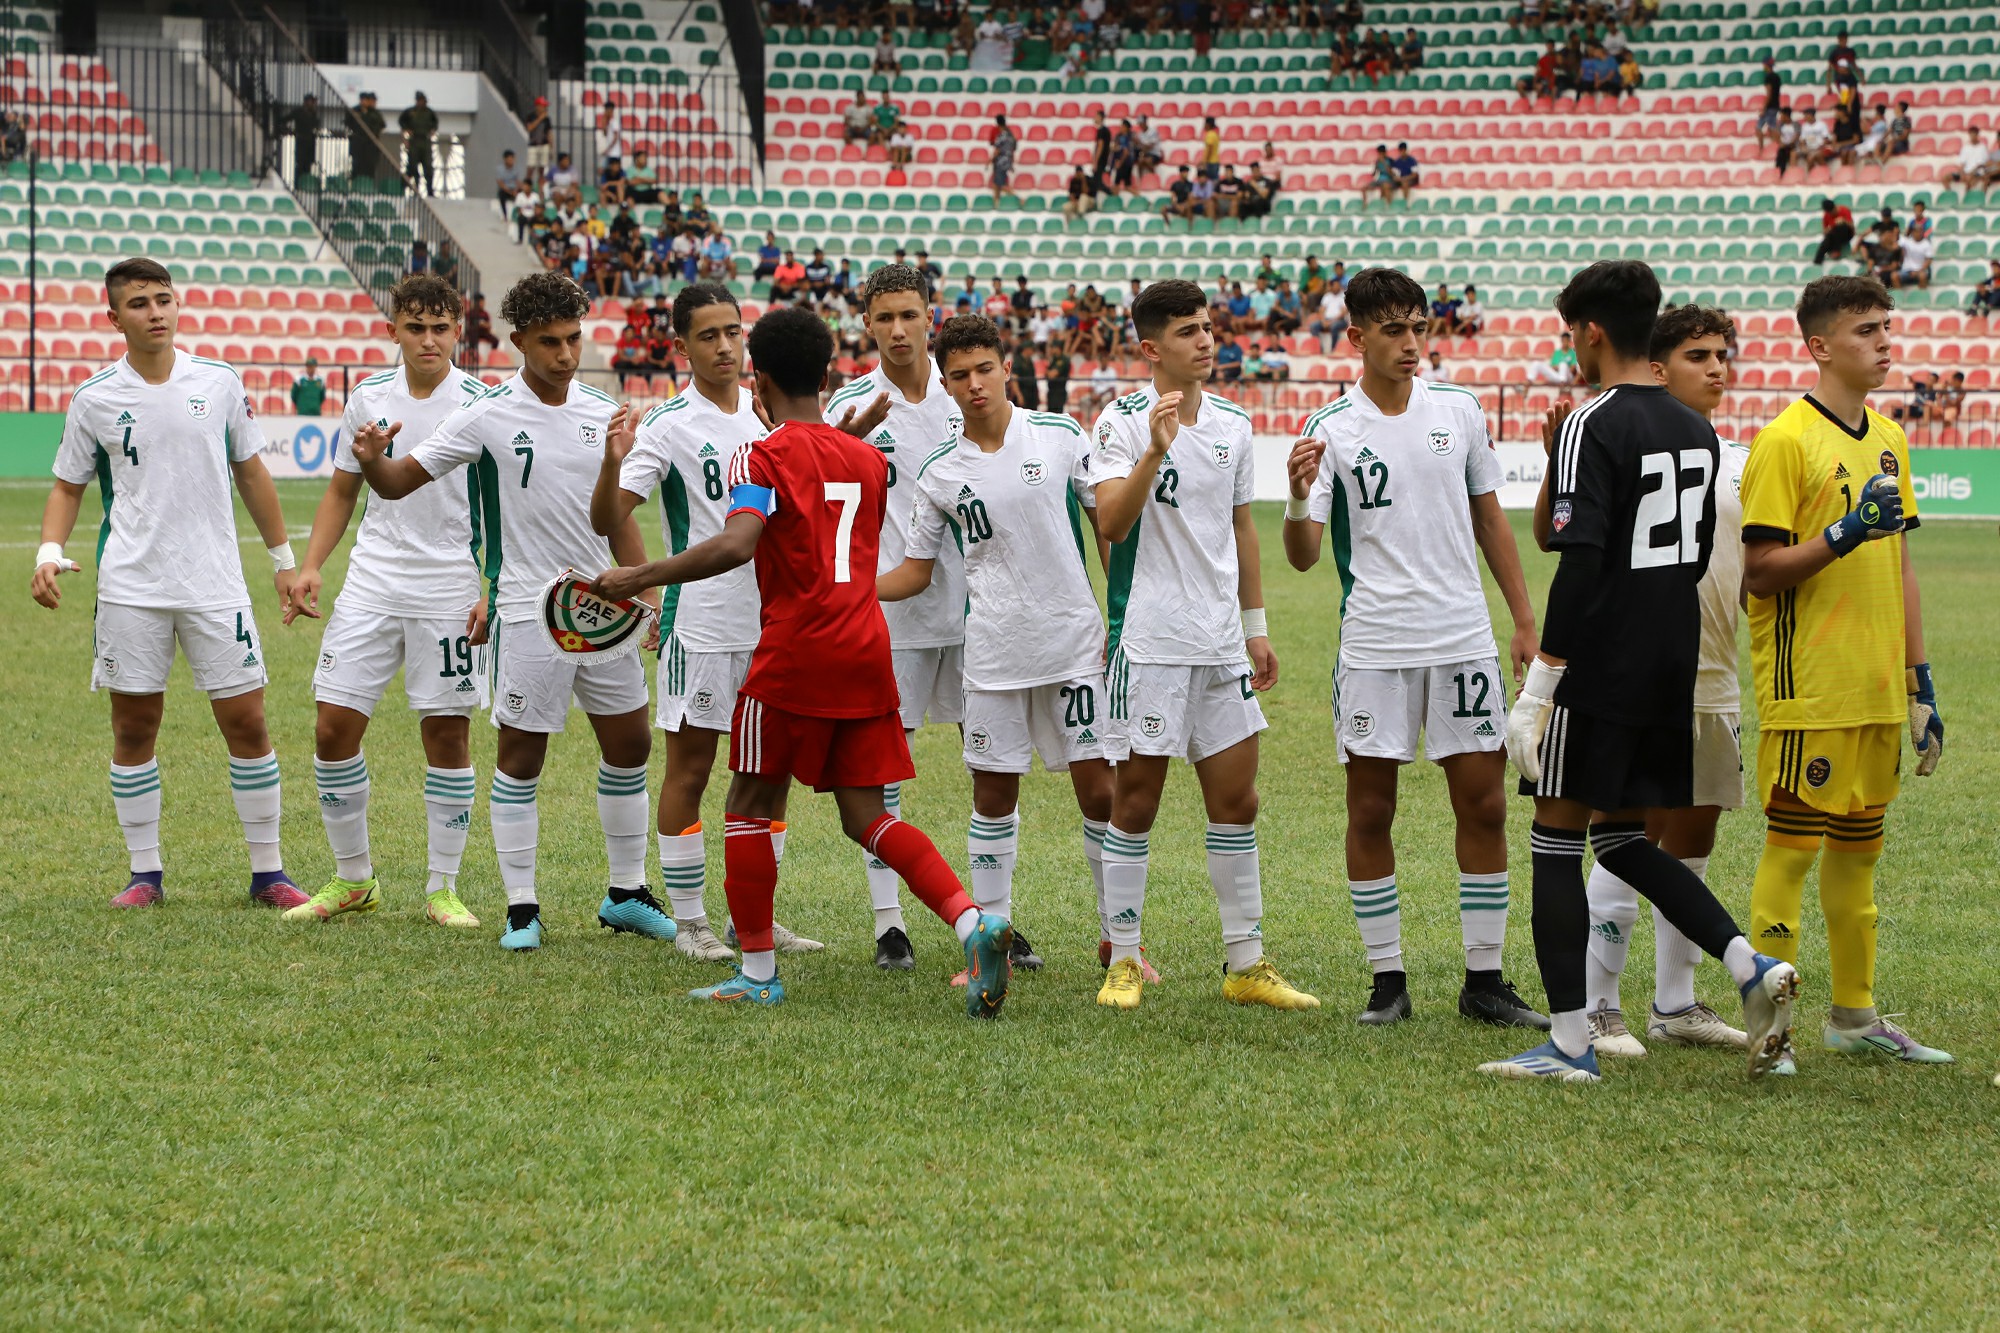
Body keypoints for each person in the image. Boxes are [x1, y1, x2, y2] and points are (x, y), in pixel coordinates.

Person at [590, 306, 1015, 1016]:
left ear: (757, 377)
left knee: (749, 803)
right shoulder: (866, 458)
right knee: (868, 815)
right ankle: (974, 922)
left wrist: (638, 577)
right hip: (866, 646)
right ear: (826, 373)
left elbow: (739, 542)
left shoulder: (759, 454)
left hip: (793, 652)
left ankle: (756, 970)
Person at [1486, 259, 1799, 1083]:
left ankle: (1568, 1044)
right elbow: (1693, 555)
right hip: (1672, 663)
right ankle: (1747, 964)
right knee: (1623, 836)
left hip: (1601, 665)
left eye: (1570, 335)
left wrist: (1541, 685)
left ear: (1590, 333)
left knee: (1555, 841)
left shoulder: (1595, 420)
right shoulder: (1701, 433)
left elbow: (1578, 561)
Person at [346, 271, 661, 954]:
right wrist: (375, 461)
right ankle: (522, 906)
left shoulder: (602, 411)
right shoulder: (485, 413)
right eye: (550, 342)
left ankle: (628, 892)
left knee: (631, 743)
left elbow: (619, 521)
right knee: (522, 756)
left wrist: (646, 595)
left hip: (603, 606)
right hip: (525, 609)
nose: (566, 354)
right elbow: (400, 483)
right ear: (518, 341)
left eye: (574, 338)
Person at [1284, 266, 1544, 1029]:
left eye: (1419, 327)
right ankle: (1386, 980)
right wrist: (1299, 495)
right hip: (1376, 644)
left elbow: (1492, 519)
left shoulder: (1459, 411)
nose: (1410, 343)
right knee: (1370, 810)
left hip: (1460, 636)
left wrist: (1524, 618)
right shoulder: (1331, 428)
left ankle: (1485, 981)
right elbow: (1302, 555)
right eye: (1393, 330)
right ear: (1357, 337)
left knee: (1486, 802)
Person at [32, 257, 307, 911]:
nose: (155, 312)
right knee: (133, 727)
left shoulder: (217, 382)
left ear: (178, 305)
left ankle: (268, 872)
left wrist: (284, 561)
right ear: (114, 317)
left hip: (216, 584)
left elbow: (252, 473)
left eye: (163, 299)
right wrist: (48, 549)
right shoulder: (95, 397)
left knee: (247, 721)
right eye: (139, 303)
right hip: (132, 586)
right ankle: (144, 874)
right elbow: (68, 485)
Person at [1086, 278, 1317, 1012]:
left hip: (1221, 644)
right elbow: (1112, 526)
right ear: (1152, 348)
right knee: (1137, 802)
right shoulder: (1120, 423)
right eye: (1188, 330)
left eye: (1208, 326)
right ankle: (1123, 958)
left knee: (1237, 801)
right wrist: (1156, 452)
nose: (1206, 339)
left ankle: (1245, 963)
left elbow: (1243, 527)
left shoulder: (1234, 425)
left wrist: (1257, 628)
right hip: (1152, 643)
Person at [1737, 275, 1950, 1068]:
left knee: (1861, 858)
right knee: (1791, 851)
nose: (1885, 342)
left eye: (1886, 328)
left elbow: (1902, 569)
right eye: (1866, 330)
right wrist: (1843, 531)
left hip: (1874, 691)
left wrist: (1918, 681)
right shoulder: (1785, 441)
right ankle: (1771, 1029)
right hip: (1809, 690)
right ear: (1820, 346)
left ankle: (1853, 1019)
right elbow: (1760, 571)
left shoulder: (1891, 438)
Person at [879, 313, 1120, 978]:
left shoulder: (1062, 435)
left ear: (1007, 368)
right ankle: (992, 941)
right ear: (947, 385)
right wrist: (850, 593)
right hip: (993, 655)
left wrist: (1119, 617)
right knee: (993, 796)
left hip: (1074, 646)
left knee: (1099, 792)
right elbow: (914, 571)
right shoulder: (940, 471)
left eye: (985, 368)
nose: (974, 383)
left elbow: (1107, 526)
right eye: (959, 375)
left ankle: (1119, 941)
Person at [1546, 306, 1756, 1055]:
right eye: (1699, 355)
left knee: (1675, 835)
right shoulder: (1646, 438)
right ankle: (1601, 1005)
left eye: (1723, 355)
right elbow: (1573, 544)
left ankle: (1675, 998)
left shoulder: (1734, 452)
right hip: (1650, 670)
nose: (1717, 368)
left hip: (1705, 675)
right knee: (1625, 833)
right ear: (1659, 366)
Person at [590, 283, 820, 960]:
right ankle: (689, 919)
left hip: (771, 623)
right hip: (702, 626)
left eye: (732, 331)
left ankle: (754, 915)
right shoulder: (668, 425)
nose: (724, 346)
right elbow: (608, 519)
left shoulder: (766, 421)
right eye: (708, 335)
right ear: (681, 346)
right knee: (691, 769)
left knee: (770, 771)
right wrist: (611, 465)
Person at [275, 275, 490, 927]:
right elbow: (343, 491)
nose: (428, 338)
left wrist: (490, 584)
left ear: (459, 330)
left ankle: (443, 887)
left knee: (447, 733)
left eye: (440, 326)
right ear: (393, 329)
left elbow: (503, 505)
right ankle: (353, 878)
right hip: (372, 582)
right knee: (333, 726)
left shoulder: (481, 402)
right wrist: (312, 565)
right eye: (415, 326)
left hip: (450, 586)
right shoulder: (367, 398)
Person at [820, 265, 974, 971]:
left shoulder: (969, 392)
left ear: (930, 317)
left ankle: (991, 915)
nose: (898, 330)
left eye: (909, 315)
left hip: (977, 613)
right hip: (891, 616)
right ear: (866, 325)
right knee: (882, 774)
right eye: (884, 318)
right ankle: (890, 926)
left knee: (990, 767)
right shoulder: (850, 408)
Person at [399, 91, 439, 197]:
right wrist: (406, 136)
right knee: (412, 167)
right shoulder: (410, 112)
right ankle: (414, 190)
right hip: (414, 141)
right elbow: (402, 122)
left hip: (425, 141)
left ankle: (430, 191)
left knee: (428, 168)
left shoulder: (429, 113)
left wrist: (432, 132)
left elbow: (435, 124)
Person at [350, 90, 390, 186]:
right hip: (358, 144)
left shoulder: (374, 113)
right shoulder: (355, 110)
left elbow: (381, 125)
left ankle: (368, 186)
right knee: (357, 166)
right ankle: (355, 185)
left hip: (371, 145)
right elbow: (349, 122)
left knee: (369, 167)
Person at [1813, 196, 1855, 267]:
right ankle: (1817, 261)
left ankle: (1836, 250)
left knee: (1840, 227)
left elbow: (1852, 227)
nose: (1831, 214)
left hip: (1847, 233)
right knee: (1827, 239)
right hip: (1835, 235)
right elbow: (1825, 231)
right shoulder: (1827, 215)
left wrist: (1844, 220)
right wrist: (1828, 230)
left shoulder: (1844, 210)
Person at [291, 93, 321, 183]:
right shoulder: (298, 112)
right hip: (302, 142)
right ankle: (298, 183)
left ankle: (305, 182)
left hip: (310, 143)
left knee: (308, 166)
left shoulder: (313, 113)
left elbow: (315, 125)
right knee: (300, 165)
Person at [1755, 57, 1783, 149]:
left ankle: (1762, 148)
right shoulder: (1777, 77)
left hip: (1770, 106)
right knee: (1772, 126)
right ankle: (1777, 146)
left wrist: (1764, 108)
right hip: (1776, 105)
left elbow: (1769, 93)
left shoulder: (1768, 77)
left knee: (1760, 127)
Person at [524, 95, 552, 187]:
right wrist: (540, 118)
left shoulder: (547, 119)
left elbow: (549, 133)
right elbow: (530, 128)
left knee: (542, 168)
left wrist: (551, 148)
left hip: (544, 145)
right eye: (543, 106)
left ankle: (540, 188)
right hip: (533, 144)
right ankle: (528, 187)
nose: (545, 108)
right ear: (538, 106)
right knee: (531, 167)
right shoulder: (531, 116)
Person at [990, 117, 1017, 200]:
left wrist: (990, 160)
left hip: (1000, 162)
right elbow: (1013, 149)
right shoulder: (1011, 135)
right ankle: (996, 201)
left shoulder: (1001, 136)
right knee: (996, 184)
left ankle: (1018, 199)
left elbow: (997, 150)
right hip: (1007, 161)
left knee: (1000, 185)